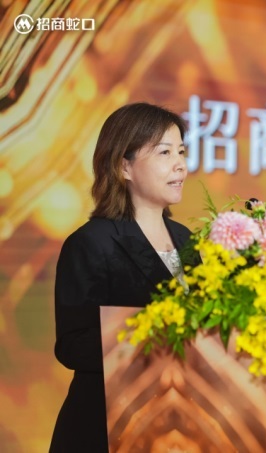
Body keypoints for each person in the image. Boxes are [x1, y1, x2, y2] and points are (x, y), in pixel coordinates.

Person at [50, 102, 198, 452]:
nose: (180, 164)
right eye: (164, 152)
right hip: (106, 427)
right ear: (124, 166)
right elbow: (73, 345)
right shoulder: (92, 243)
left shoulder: (186, 239)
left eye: (181, 152)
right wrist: (153, 335)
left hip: (176, 427)